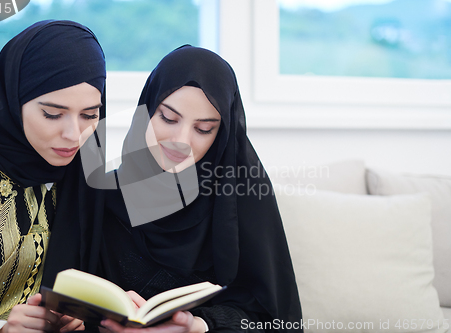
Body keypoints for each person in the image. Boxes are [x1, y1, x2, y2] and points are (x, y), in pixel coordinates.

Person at [98, 45, 302, 332]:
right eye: (168, 118)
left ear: (222, 135)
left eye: (204, 129)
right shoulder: (101, 197)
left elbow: (277, 320)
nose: (181, 141)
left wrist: (198, 326)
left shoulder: (244, 197)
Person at [0, 20, 106, 333]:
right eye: (52, 114)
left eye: (90, 115)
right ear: (13, 99)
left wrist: (81, 312)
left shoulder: (83, 176)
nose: (74, 135)